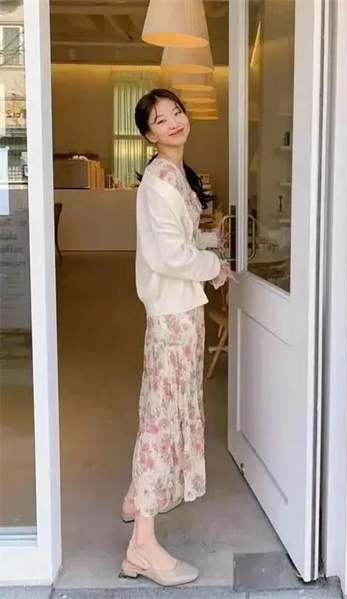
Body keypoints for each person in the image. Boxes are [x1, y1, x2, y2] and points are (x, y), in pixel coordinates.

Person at [120, 89, 232, 587]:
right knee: (163, 419)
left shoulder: (176, 173)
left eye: (177, 112)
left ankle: (134, 498)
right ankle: (141, 545)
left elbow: (181, 239)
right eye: (160, 120)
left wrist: (210, 252)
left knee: (165, 407)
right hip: (171, 311)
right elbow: (168, 255)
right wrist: (212, 265)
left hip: (182, 310)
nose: (173, 122)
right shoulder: (158, 181)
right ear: (149, 135)